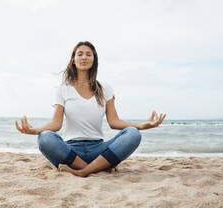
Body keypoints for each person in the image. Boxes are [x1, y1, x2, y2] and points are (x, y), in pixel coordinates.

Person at [15, 41, 166, 177]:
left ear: (94, 60)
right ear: (73, 60)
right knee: (45, 137)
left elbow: (114, 122)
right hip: (71, 152)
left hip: (99, 150)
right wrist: (34, 130)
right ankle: (95, 168)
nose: (84, 57)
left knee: (133, 134)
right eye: (79, 54)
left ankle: (84, 171)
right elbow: (56, 124)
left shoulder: (105, 88)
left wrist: (141, 126)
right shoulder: (63, 90)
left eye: (88, 54)